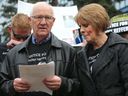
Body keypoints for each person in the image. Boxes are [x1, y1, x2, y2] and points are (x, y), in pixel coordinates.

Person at [0, 2, 79, 96]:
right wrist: (12, 86)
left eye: (48, 18)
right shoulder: (13, 53)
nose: (43, 22)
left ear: (53, 21)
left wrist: (63, 83)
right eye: (38, 17)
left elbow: (79, 86)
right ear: (30, 20)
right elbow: (2, 84)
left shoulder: (68, 51)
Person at [74, 3, 128, 96]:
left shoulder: (122, 48)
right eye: (80, 26)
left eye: (85, 25)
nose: (82, 30)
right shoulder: (80, 55)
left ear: (98, 23)